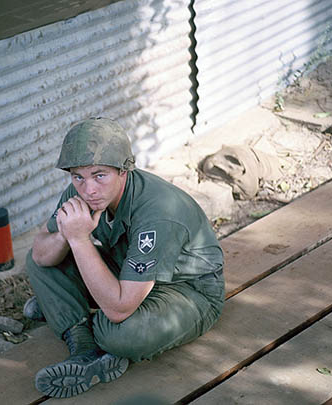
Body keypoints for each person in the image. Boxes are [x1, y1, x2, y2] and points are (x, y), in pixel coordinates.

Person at [24, 117, 225, 398]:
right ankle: (84, 348)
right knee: (40, 258)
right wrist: (65, 235)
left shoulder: (157, 212)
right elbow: (40, 254)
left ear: (124, 170)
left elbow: (120, 308)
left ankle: (69, 311)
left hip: (187, 291)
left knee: (118, 333)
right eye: (77, 176)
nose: (88, 189)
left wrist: (80, 240)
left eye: (99, 175)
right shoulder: (82, 191)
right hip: (126, 271)